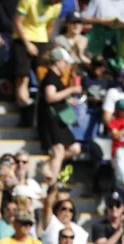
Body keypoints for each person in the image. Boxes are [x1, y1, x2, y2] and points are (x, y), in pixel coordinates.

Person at [38, 48, 81, 179]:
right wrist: (71, 90)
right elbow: (50, 96)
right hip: (52, 119)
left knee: (74, 148)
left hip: (59, 120)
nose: (67, 66)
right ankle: (53, 182)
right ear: (58, 62)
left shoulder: (56, 78)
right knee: (59, 150)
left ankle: (46, 165)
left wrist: (67, 99)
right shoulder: (50, 77)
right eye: (65, 63)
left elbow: (56, 96)